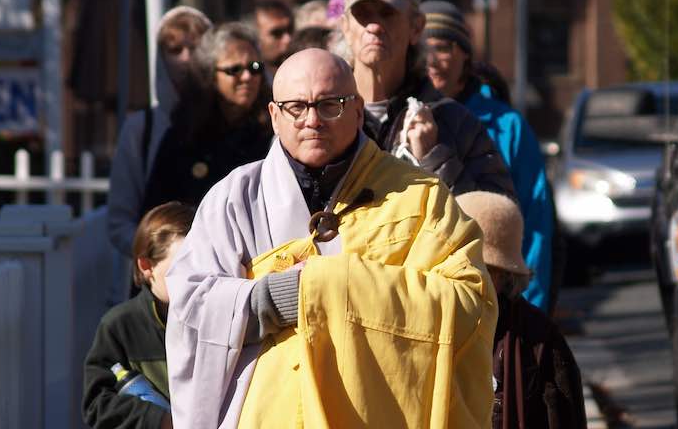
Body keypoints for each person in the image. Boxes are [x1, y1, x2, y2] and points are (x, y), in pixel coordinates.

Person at [165, 49, 498, 428]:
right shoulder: (234, 197)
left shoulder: (419, 194)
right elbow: (190, 304)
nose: (312, 120)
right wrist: (273, 299)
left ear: (357, 110)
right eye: (296, 107)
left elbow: (470, 299)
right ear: (274, 116)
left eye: (330, 105)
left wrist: (334, 285)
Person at [421, 0, 556, 314]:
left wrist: (529, 306)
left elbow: (535, 223)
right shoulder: (406, 118)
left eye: (442, 47)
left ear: (464, 53)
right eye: (423, 49)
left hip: (500, 299)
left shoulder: (508, 126)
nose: (432, 60)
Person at [339, 0, 515, 199]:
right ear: (346, 28)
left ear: (416, 27)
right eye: (363, 15)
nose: (374, 26)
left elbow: (493, 220)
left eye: (387, 13)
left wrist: (434, 158)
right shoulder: (319, 115)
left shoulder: (454, 122)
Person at [455, 191, 586, 429]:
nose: (470, 277)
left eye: (485, 268)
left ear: (506, 276)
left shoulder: (538, 339)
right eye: (462, 264)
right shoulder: (427, 326)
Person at [139, 22, 274, 215]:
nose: (247, 77)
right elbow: (157, 211)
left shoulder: (274, 129)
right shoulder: (184, 136)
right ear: (210, 74)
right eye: (234, 69)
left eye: (254, 67)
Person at [108, 6, 211, 257]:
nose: (187, 59)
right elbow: (120, 221)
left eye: (195, 48)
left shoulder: (232, 122)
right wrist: (161, 256)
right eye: (175, 50)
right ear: (160, 57)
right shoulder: (140, 129)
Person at [83, 201, 196, 429]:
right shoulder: (120, 325)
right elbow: (97, 406)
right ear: (146, 266)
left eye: (200, 261)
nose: (195, 274)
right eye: (182, 265)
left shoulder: (217, 318)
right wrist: (161, 421)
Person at [251, 0, 294, 76]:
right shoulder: (249, 80)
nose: (287, 39)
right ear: (256, 37)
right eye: (276, 33)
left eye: (290, 30)